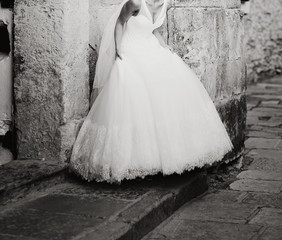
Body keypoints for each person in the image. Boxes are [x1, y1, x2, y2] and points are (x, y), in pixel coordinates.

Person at [69, 0, 233, 183]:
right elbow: (120, 22)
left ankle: (167, 156)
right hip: (131, 50)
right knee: (134, 100)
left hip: (151, 48)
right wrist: (118, 50)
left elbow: (153, 30)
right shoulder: (135, 2)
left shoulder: (165, 4)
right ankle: (132, 161)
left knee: (168, 88)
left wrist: (164, 46)